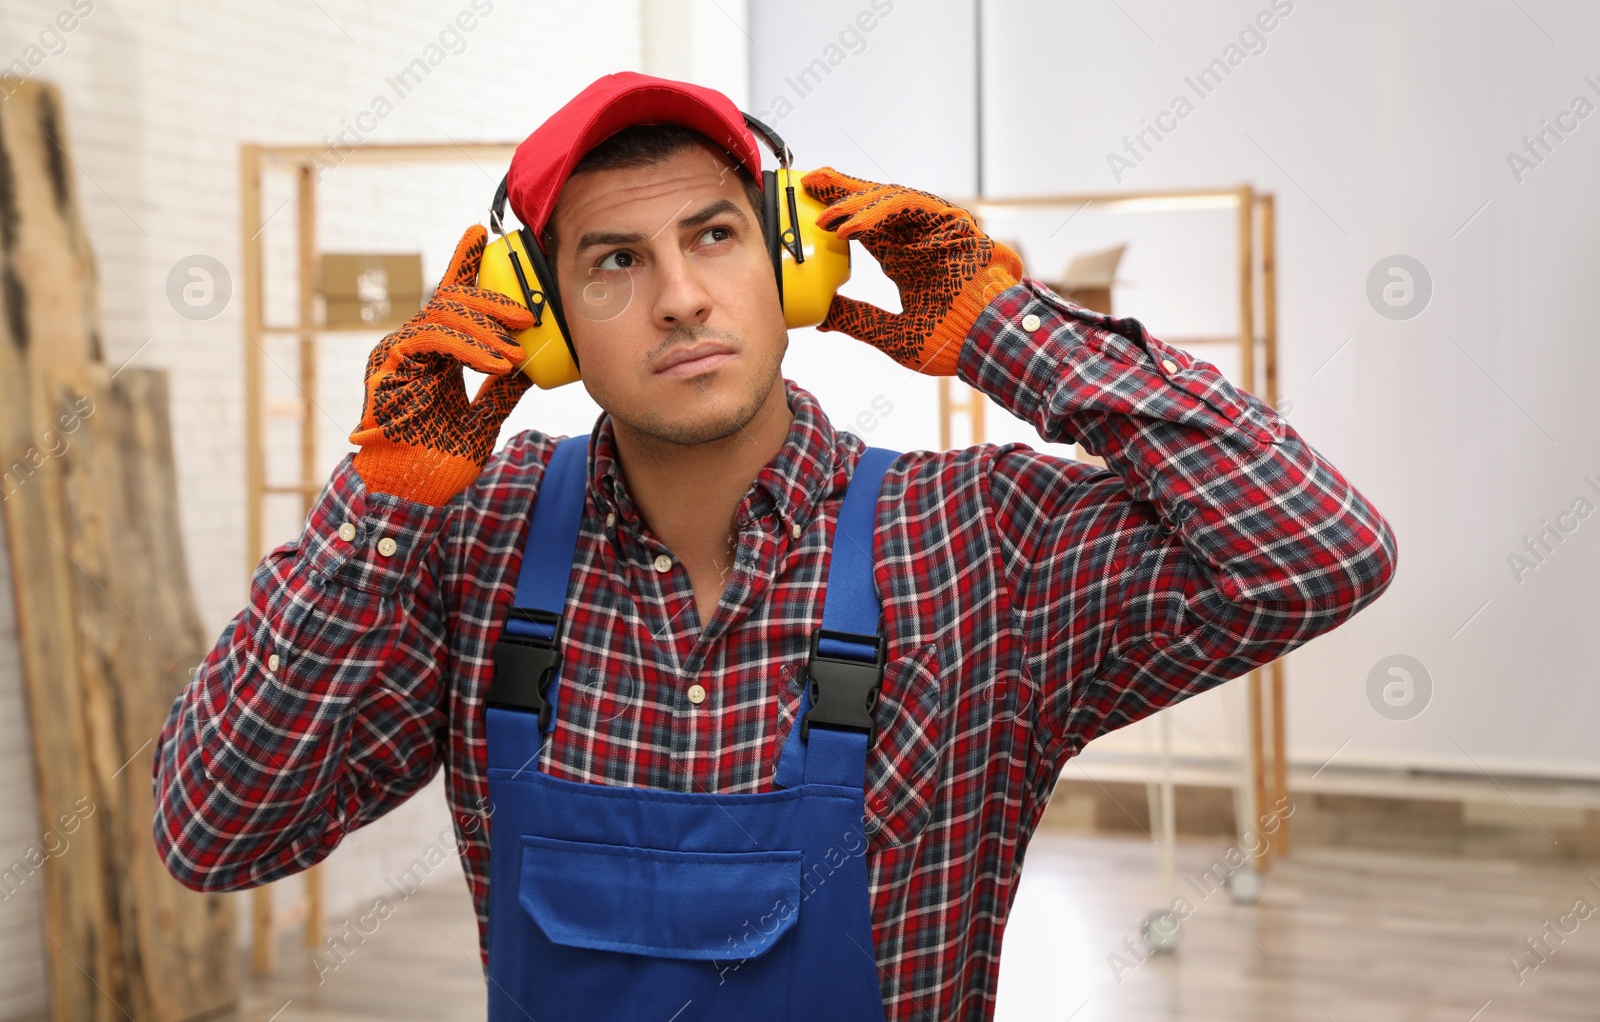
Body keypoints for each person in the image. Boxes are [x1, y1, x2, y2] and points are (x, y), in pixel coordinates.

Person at [152, 71, 1397, 1020]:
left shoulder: (976, 548)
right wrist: (378, 498)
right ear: (541, 324)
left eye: (713, 236)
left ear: (790, 265)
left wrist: (1001, 329)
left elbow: (1317, 548)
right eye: (613, 263)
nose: (681, 297)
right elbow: (215, 830)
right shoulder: (463, 542)